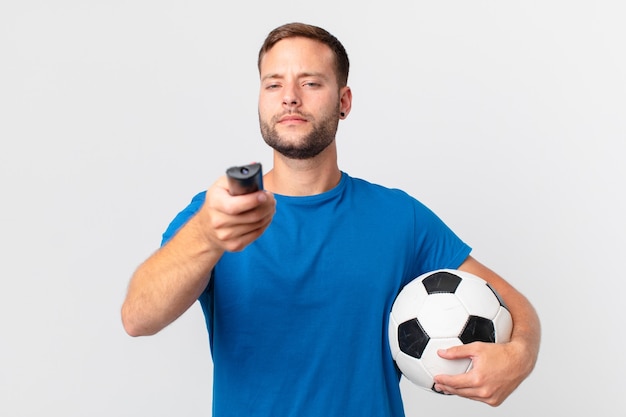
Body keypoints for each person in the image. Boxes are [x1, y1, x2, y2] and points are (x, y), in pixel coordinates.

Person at [121, 22, 540, 416]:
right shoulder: (217, 213)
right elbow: (138, 317)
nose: (290, 97)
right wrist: (208, 237)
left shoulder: (399, 217)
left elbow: (516, 307)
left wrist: (519, 355)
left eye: (310, 82)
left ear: (343, 102)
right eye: (274, 84)